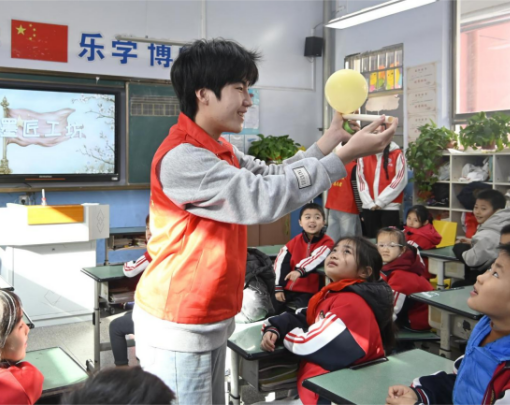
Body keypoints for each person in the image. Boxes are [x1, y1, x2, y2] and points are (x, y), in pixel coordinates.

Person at [133, 38, 398, 404]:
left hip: (206, 316)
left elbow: (274, 174)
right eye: (239, 88)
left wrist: (330, 142)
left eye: (249, 89)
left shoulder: (218, 148)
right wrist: (343, 157)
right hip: (178, 319)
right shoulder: (184, 158)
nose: (248, 100)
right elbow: (261, 197)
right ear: (203, 94)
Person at [386, 240, 510, 405]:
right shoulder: (487, 327)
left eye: (496, 274)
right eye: (490, 269)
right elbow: (463, 382)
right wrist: (422, 394)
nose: (480, 277)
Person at [261, 237, 394, 405]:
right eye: (335, 250)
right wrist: (275, 328)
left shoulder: (351, 303)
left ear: (364, 272)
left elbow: (308, 344)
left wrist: (287, 335)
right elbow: (306, 317)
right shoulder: (334, 294)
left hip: (330, 396)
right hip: (318, 390)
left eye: (346, 252)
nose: (334, 255)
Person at [274, 203, 334, 314]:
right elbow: (280, 262)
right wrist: (278, 287)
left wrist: (300, 270)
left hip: (309, 291)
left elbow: (316, 257)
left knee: (302, 314)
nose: (312, 221)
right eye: (307, 217)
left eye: (317, 217)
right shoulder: (294, 242)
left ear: (323, 222)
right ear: (300, 222)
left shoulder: (328, 243)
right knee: (272, 309)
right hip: (287, 289)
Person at [109, 215, 151, 367]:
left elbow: (130, 270)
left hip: (157, 317)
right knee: (128, 314)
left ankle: (122, 371)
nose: (149, 233)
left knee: (115, 326)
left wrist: (128, 263)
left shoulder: (156, 251)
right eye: (147, 228)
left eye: (152, 229)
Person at [453, 189, 510, 285]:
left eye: (483, 209)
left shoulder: (487, 234)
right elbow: (495, 244)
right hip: (509, 280)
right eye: (476, 207)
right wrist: (473, 242)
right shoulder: (508, 222)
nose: (477, 212)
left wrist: (459, 248)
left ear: (497, 210)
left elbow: (473, 260)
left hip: (490, 283)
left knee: (457, 285)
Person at [377, 227, 433, 331]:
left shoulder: (401, 275)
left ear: (402, 250)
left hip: (416, 320)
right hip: (404, 310)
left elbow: (391, 310)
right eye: (381, 245)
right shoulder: (390, 266)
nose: (385, 249)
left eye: (392, 245)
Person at [356, 140, 408, 238]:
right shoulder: (363, 155)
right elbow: (361, 180)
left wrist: (381, 201)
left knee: (390, 241)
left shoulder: (397, 154)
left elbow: (400, 180)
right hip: (369, 207)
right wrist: (369, 203)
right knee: (371, 242)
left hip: (390, 207)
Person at [325, 120, 363, 241]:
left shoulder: (335, 163)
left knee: (331, 237)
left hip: (333, 205)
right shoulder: (355, 166)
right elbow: (357, 190)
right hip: (349, 207)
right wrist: (362, 210)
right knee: (349, 239)